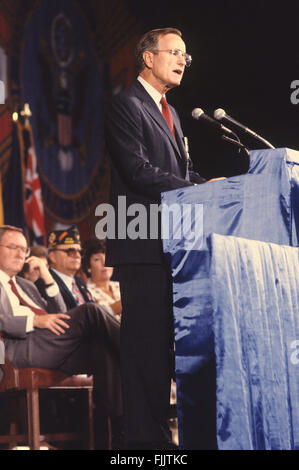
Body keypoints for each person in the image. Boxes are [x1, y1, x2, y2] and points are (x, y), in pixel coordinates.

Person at [105, 28, 221, 449]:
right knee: (145, 352)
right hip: (140, 240)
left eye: (185, 56)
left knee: (163, 352)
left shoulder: (170, 111)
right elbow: (136, 171)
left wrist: (212, 185)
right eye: (174, 52)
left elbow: (179, 173)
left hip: (171, 242)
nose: (182, 61)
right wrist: (195, 190)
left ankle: (159, 438)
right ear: (147, 58)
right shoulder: (126, 104)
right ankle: (141, 445)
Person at [0, 225, 121, 448]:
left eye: (24, 250)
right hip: (13, 349)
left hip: (47, 345)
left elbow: (61, 314)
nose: (20, 254)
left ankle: (116, 436)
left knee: (101, 348)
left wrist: (47, 277)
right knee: (91, 311)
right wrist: (34, 321)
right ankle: (145, 354)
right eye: (13, 247)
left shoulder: (26, 285)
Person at [45, 227, 94, 310]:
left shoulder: (79, 281)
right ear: (52, 256)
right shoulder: (46, 282)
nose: (78, 256)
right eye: (71, 251)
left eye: (80, 252)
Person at [82, 238, 122, 321]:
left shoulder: (121, 285)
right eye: (97, 259)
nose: (105, 263)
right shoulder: (85, 293)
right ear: (88, 267)